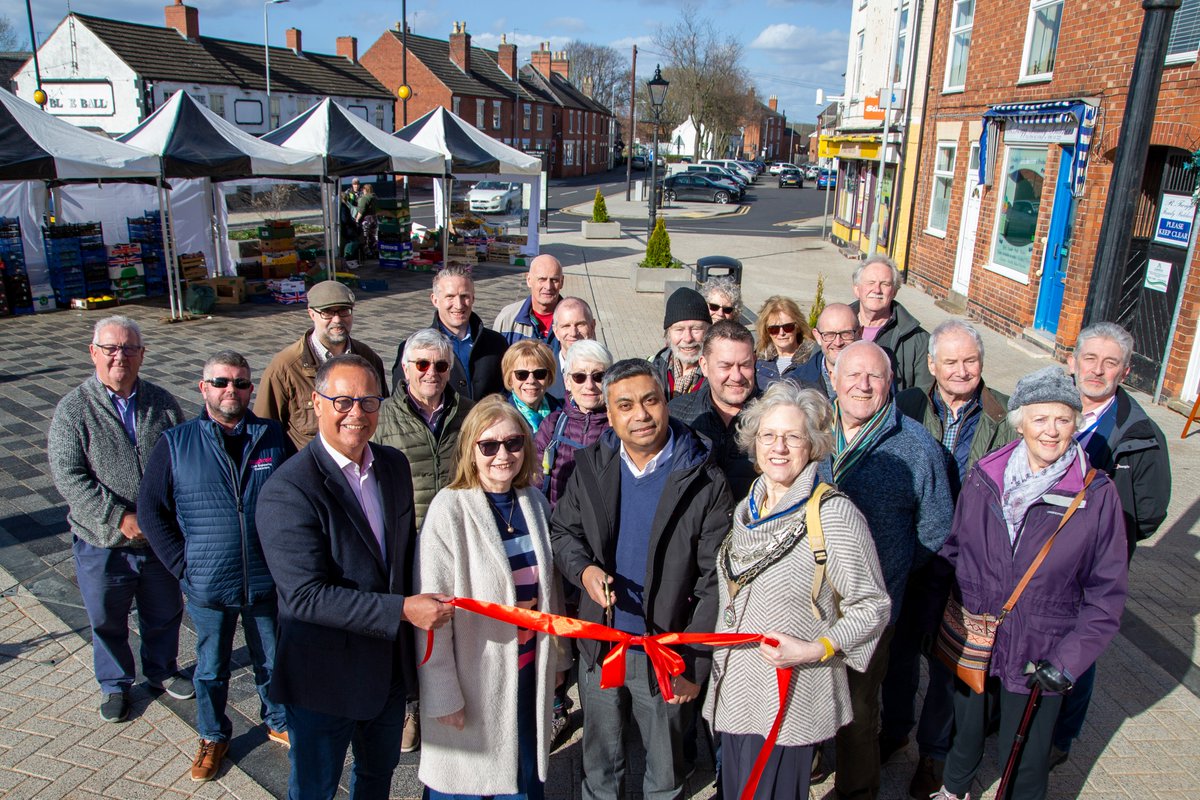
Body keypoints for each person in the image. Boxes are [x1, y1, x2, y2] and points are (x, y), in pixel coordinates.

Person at [257, 354, 454, 799]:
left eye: (368, 401)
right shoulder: (288, 490)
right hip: (323, 678)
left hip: (386, 672)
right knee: (315, 788)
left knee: (376, 777)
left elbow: (402, 559)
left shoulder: (392, 465)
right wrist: (403, 610)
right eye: (342, 401)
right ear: (316, 403)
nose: (357, 414)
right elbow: (305, 597)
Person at [930, 366, 1128, 800]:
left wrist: (1070, 659)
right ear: (1020, 423)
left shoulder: (1096, 496)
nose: (1051, 431)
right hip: (977, 636)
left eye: (1062, 419)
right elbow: (956, 547)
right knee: (965, 729)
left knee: (1026, 754)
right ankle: (955, 789)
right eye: (1040, 419)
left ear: (1076, 423)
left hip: (1042, 648)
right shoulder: (986, 475)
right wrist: (938, 617)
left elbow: (1106, 595)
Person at [551, 358, 733, 800]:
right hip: (601, 642)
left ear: (665, 401)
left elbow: (716, 582)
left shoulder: (704, 479)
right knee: (599, 762)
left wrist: (692, 662)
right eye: (626, 405)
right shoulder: (591, 465)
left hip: (665, 651)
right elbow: (563, 532)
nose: (641, 415)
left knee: (665, 768)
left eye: (650, 400)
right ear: (609, 415)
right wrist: (585, 570)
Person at [704, 382, 891, 800]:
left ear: (814, 445)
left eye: (793, 437)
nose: (779, 447)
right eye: (769, 435)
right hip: (736, 686)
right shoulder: (749, 505)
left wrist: (814, 649)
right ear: (754, 444)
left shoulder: (834, 515)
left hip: (789, 693)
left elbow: (873, 606)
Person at [137, 351, 292, 782]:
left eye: (242, 383)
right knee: (210, 667)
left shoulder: (272, 436)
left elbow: (295, 498)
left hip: (265, 578)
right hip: (208, 581)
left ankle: (278, 720)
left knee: (273, 658)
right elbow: (151, 510)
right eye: (222, 382)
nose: (232, 391)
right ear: (203, 387)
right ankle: (211, 734)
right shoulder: (176, 443)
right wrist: (181, 564)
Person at [816, 340, 954, 800]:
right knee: (809, 695)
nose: (863, 384)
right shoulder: (811, 432)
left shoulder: (916, 446)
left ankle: (857, 790)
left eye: (874, 376)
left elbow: (935, 529)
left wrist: (886, 571)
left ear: (890, 383)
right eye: (852, 374)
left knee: (857, 710)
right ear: (832, 379)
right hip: (809, 601)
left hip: (870, 609)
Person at [889, 320, 1018, 798]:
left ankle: (934, 755)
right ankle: (894, 729)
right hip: (915, 550)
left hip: (968, 562)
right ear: (931, 365)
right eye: (951, 361)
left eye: (970, 361)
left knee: (948, 663)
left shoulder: (1003, 416)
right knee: (900, 652)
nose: (962, 370)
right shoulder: (907, 405)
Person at [418, 396, 570, 800]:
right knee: (466, 784)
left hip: (526, 671)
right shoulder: (448, 509)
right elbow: (431, 617)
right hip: (473, 674)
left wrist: (557, 658)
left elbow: (550, 591)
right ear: (471, 450)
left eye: (513, 443)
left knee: (521, 778)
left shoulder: (534, 502)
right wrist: (442, 692)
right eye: (489, 445)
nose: (503, 454)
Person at [47, 316, 191, 725]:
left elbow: (181, 462)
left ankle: (162, 670)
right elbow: (69, 476)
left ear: (142, 355)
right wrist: (118, 517)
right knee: (107, 618)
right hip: (102, 541)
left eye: (129, 348)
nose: (119, 357)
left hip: (157, 539)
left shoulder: (162, 403)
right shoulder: (74, 409)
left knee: (164, 611)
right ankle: (115, 685)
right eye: (110, 348)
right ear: (93, 352)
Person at [1051, 322, 1171, 764]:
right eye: (1090, 358)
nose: (1097, 371)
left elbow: (1149, 514)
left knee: (1078, 649)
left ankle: (1060, 739)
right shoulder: (1047, 408)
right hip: (1037, 557)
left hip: (1091, 568)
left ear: (1124, 372)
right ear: (1072, 361)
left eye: (1110, 363)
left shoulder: (1140, 437)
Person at [256, 280, 389, 451]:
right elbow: (265, 430)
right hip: (310, 472)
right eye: (327, 312)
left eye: (344, 311)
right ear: (312, 314)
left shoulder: (368, 358)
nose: (337, 320)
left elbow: (383, 414)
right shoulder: (285, 368)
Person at [377, 328, 476, 530]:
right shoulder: (380, 417)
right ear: (406, 369)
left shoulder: (471, 413)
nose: (431, 373)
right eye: (422, 364)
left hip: (458, 529)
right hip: (407, 536)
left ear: (449, 370)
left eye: (440, 365)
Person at [668, 321, 761, 498]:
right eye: (725, 366)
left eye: (745, 365)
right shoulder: (677, 414)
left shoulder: (775, 414)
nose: (736, 376)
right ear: (704, 366)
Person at [390, 265, 508, 401]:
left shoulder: (496, 344)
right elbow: (399, 400)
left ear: (473, 298)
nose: (458, 305)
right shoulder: (413, 349)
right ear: (435, 300)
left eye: (464, 296)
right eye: (450, 297)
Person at [535, 339, 613, 509]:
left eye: (598, 376)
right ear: (567, 381)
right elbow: (535, 482)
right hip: (557, 527)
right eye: (579, 377)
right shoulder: (552, 425)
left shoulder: (619, 428)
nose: (589, 385)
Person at [849, 255, 931, 392]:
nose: (877, 290)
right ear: (857, 289)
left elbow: (924, 395)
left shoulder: (918, 340)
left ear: (894, 292)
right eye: (870, 283)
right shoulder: (836, 327)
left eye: (885, 284)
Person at [650, 287, 712, 400]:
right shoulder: (655, 367)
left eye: (696, 329)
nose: (688, 338)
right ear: (668, 334)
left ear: (708, 331)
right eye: (679, 330)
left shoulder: (717, 374)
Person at [494, 254, 565, 352]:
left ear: (562, 282)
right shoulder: (507, 319)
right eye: (542, 279)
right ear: (529, 280)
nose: (548, 286)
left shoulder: (576, 320)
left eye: (554, 280)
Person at [791, 303, 861, 400]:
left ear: (860, 334)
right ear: (818, 337)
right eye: (829, 334)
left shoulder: (877, 378)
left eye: (846, 334)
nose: (838, 342)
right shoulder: (796, 385)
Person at [753, 295, 818, 391]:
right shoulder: (758, 360)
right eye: (774, 329)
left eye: (788, 327)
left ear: (798, 327)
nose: (781, 333)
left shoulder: (812, 360)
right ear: (766, 331)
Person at [504, 339, 561, 434]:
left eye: (539, 373)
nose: (531, 381)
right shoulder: (500, 418)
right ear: (510, 379)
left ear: (549, 377)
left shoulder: (564, 414)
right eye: (522, 374)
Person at [547, 296, 598, 401]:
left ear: (592, 326)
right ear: (556, 331)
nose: (573, 333)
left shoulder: (608, 374)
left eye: (580, 324)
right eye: (566, 326)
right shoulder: (543, 374)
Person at [356, 183, 378, 259]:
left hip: (366, 220)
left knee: (364, 237)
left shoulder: (365, 198)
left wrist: (357, 219)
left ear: (365, 190)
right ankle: (375, 252)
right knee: (372, 237)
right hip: (374, 219)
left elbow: (361, 211)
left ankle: (366, 254)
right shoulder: (375, 197)